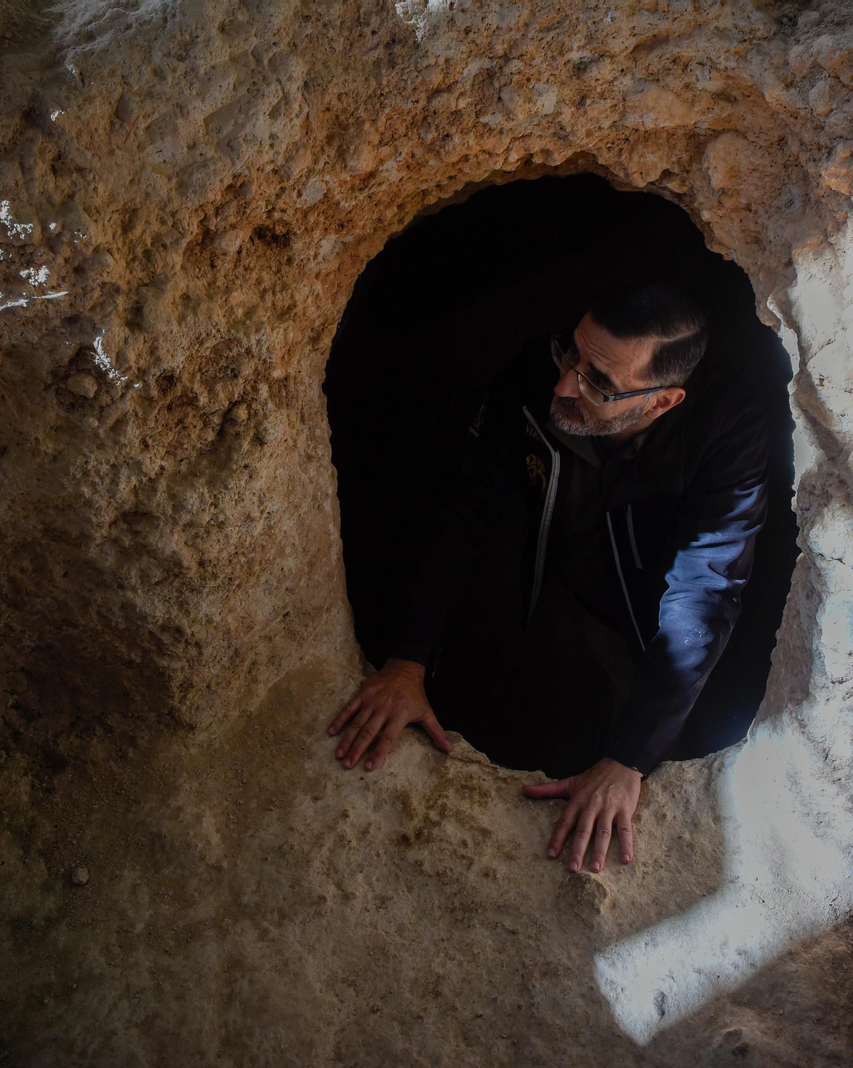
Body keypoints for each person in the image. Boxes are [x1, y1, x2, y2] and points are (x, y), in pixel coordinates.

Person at [326, 280, 770, 876]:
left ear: (663, 402)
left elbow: (704, 592)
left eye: (599, 383)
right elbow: (463, 513)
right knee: (536, 695)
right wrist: (406, 660)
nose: (565, 383)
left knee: (624, 732)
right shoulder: (541, 372)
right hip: (547, 581)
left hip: (645, 619)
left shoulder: (729, 429)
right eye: (573, 354)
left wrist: (628, 760)